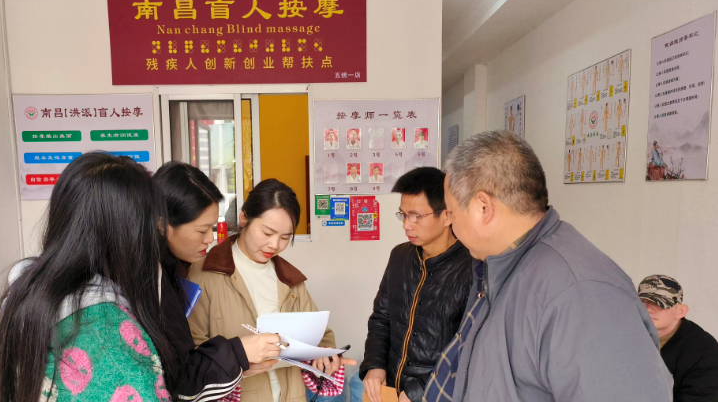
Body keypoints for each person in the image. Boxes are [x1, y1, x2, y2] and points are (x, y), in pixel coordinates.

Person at [0, 154, 264, 402]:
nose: (153, 236)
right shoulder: (105, 329)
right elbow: (175, 382)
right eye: (148, 224)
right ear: (122, 231)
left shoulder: (29, 292)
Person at [423, 131, 672, 402]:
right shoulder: (498, 264)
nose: (449, 222)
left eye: (451, 212)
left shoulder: (582, 296)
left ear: (483, 208)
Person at [188, 179, 356, 402]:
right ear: (244, 218)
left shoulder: (290, 279)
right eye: (267, 233)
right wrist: (237, 361)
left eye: (285, 237)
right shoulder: (205, 274)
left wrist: (325, 356)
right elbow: (191, 353)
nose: (275, 245)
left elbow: (321, 336)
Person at [153, 162, 285, 401]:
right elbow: (178, 378)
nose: (210, 238)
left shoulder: (175, 269)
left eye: (285, 236)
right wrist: (238, 353)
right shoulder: (156, 280)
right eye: (201, 230)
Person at [360, 167, 473, 402]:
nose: (406, 225)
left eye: (416, 216)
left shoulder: (472, 267)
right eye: (403, 215)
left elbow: (470, 347)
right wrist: (375, 365)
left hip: (439, 395)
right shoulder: (400, 257)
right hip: (392, 392)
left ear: (447, 215)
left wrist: (419, 391)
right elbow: (381, 318)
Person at [638, 275, 718, 402]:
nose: (648, 309)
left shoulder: (704, 350)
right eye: (643, 301)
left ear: (680, 311)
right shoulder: (625, 335)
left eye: (659, 303)